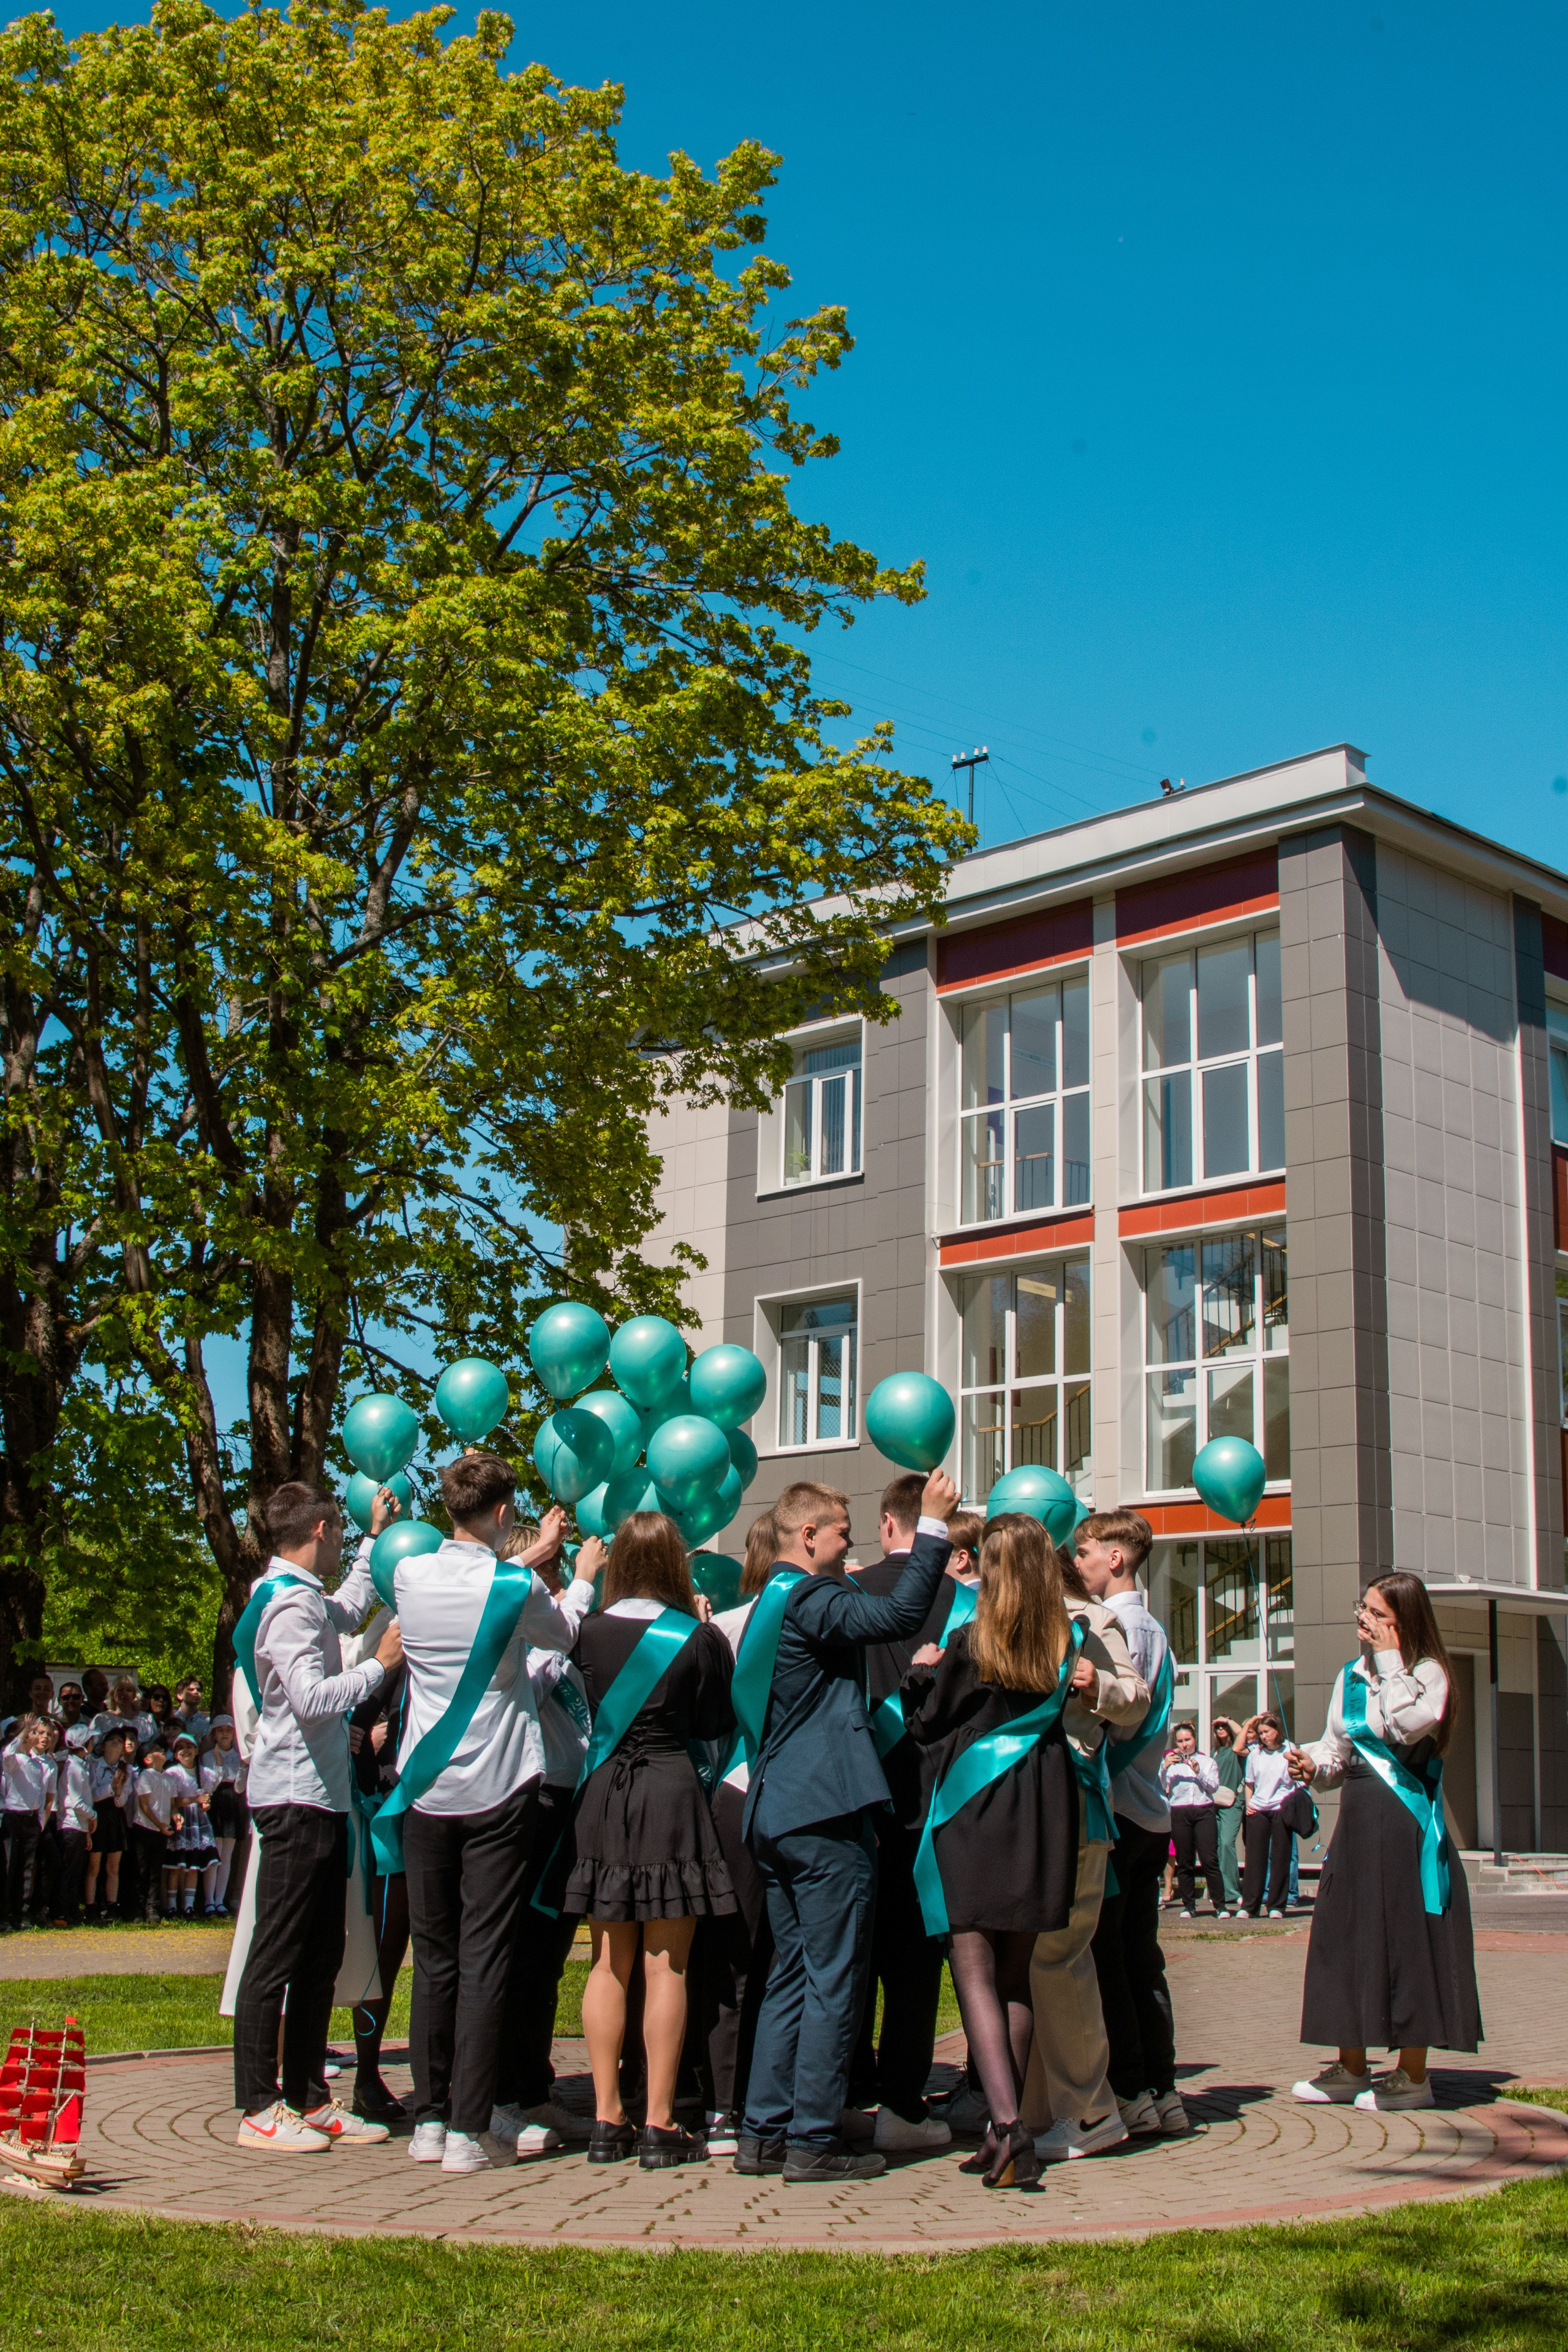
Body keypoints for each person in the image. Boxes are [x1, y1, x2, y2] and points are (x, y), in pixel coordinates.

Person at [739, 1468, 958, 2185]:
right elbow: (895, 1619)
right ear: (807, 1535)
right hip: (826, 1809)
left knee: (790, 1976)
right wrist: (930, 1527)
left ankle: (763, 2134)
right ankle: (813, 2140)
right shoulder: (811, 1596)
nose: (849, 1544)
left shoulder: (766, 1599)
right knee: (835, 1976)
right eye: (840, 1531)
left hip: (776, 1808)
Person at [394, 1458, 594, 2176]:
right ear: (506, 1513)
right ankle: (468, 2131)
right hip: (499, 1789)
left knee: (435, 1961)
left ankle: (428, 2116)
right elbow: (563, 1633)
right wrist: (585, 1580)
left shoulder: (410, 1576)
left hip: (424, 1789)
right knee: (484, 1959)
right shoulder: (514, 1586)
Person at [899, 1515, 1101, 2190]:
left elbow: (928, 1725)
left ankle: (1010, 2127)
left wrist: (919, 1674)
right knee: (1014, 1974)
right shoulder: (1068, 1643)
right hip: (1043, 1807)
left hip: (976, 1806)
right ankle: (998, 2129)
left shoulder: (967, 1642)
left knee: (973, 1968)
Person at [548, 1512, 736, 2170]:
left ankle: (606, 2120)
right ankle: (659, 2124)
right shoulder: (699, 1638)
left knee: (607, 1961)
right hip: (671, 1792)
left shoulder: (586, 1633)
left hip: (604, 1796)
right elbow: (716, 1723)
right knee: (668, 1965)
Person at [231, 1480, 403, 2155]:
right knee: (276, 1954)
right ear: (319, 1532)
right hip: (295, 1798)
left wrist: (373, 1538)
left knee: (318, 1952)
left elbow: (349, 1605)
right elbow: (308, 1698)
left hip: (323, 1798)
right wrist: (379, 1669)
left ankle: (306, 2095)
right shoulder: (287, 1604)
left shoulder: (302, 1596)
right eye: (341, 1535)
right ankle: (257, 2106)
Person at [1290, 1572, 1481, 2112]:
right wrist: (1313, 1765)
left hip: (1406, 1824)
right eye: (1363, 1609)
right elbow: (1337, 1752)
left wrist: (1392, 1661)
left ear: (1404, 1622)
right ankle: (1351, 2067)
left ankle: (1412, 2076)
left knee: (1406, 1936)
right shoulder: (1349, 1675)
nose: (1363, 1620)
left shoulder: (1429, 1675)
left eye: (1376, 1614)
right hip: (1357, 1818)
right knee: (1344, 1933)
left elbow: (1407, 1727)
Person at [846, 1472, 974, 2157]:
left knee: (853, 1952)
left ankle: (845, 2091)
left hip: (861, 1796)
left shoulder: (844, 1593)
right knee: (917, 1960)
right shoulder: (967, 1605)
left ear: (887, 1524)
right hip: (942, 1800)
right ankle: (903, 2097)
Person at [1014, 1535, 1149, 2157]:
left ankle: (1092, 2110)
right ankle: (1047, 2107)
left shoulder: (1093, 1621)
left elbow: (1135, 1702)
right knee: (1042, 1955)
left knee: (1060, 1953)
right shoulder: (1001, 1620)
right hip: (1022, 1808)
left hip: (1076, 1804)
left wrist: (1097, 1684)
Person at [1078, 1510, 1191, 2138]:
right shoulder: (1155, 1629)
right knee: (1139, 1957)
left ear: (1115, 1558)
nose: (1078, 1561)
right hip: (1148, 1809)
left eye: (1085, 1550)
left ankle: (1131, 2090)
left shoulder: (1123, 1628)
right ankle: (1161, 2086)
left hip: (1118, 1808)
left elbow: (1121, 1719)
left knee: (1110, 1957)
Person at [490, 1526, 597, 2156]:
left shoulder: (558, 1626)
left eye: (559, 1569)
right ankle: (500, 2092)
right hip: (529, 1801)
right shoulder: (513, 1634)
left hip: (567, 1801)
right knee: (515, 1957)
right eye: (546, 1567)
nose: (553, 1580)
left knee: (547, 1960)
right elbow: (523, 1692)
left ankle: (534, 2088)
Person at [692, 1508, 780, 2157]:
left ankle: (738, 2099)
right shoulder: (724, 1628)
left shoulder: (721, 1627)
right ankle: (730, 2102)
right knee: (745, 1951)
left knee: (746, 1953)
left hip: (743, 1791)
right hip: (751, 1790)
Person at [1161, 1724, 1227, 1918]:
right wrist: (1165, 1767)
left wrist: (1198, 1772)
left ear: (1195, 1740)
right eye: (1180, 1742)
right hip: (1180, 1812)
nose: (1184, 1745)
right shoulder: (1170, 1764)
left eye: (1188, 1740)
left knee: (1209, 1860)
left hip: (1203, 1811)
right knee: (1185, 1860)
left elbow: (1214, 1787)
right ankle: (1189, 1905)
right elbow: (1159, 1786)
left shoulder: (1207, 1762)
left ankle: (1220, 1906)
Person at [4, 1716, 55, 1930]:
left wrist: (40, 1822)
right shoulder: (14, 1761)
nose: (38, 1736)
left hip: (31, 1819)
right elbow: (7, 1753)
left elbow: (42, 1795)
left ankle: (20, 1913)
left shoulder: (37, 1764)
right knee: (9, 1869)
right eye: (35, 1733)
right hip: (13, 1818)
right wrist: (24, 1729)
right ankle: (4, 1915)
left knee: (26, 1870)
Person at [1242, 1713, 1294, 1918]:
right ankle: (1250, 1906)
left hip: (1281, 1808)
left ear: (1277, 1731)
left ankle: (1276, 1906)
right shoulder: (1255, 1754)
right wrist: (1248, 1805)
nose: (1263, 1737)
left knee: (1281, 1856)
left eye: (1267, 1732)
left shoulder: (1290, 1750)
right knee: (1255, 1858)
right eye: (1260, 1733)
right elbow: (1249, 1783)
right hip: (1258, 1808)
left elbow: (1299, 1782)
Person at [165, 1731, 217, 1919]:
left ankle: (189, 1906)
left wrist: (204, 1804)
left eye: (189, 1747)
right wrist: (195, 1799)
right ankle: (171, 1906)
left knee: (194, 1865)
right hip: (181, 1820)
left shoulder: (204, 1773)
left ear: (196, 1751)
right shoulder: (172, 1773)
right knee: (177, 1865)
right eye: (180, 1748)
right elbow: (173, 1802)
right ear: (175, 1755)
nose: (185, 1751)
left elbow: (206, 1797)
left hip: (198, 1822)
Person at [85, 1725, 130, 1923]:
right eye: (111, 1740)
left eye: (120, 1741)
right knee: (94, 1867)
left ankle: (112, 1906)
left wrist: (119, 1791)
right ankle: (91, 1907)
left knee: (114, 1867)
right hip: (98, 1816)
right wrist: (111, 1787)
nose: (116, 1743)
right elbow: (92, 1795)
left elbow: (122, 1801)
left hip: (116, 1817)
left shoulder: (126, 1769)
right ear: (102, 1747)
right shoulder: (93, 1765)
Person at [130, 1732, 177, 1923]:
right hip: (144, 1828)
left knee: (155, 1871)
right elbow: (144, 1806)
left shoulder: (169, 1779)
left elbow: (173, 1804)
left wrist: (176, 1817)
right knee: (141, 1869)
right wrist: (159, 1824)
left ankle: (152, 1908)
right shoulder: (145, 1776)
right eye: (156, 1751)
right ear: (147, 1759)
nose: (162, 1752)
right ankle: (137, 1908)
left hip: (161, 1830)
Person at [205, 1715, 247, 1914]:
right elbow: (210, 1786)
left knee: (227, 1856)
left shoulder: (240, 1756)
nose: (224, 1734)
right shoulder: (207, 1756)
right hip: (215, 1803)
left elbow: (239, 1788)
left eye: (228, 1730)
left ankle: (220, 1900)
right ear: (214, 1733)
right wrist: (219, 1765)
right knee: (215, 1855)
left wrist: (243, 1768)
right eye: (220, 1730)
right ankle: (208, 1901)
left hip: (233, 1804)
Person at [54, 1726, 96, 1926]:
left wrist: (86, 1830)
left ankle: (70, 1911)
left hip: (79, 1827)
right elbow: (76, 1802)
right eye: (90, 1740)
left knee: (75, 1871)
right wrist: (93, 1816)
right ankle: (61, 1913)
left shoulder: (80, 1767)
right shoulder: (74, 1768)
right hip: (71, 1825)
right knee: (69, 1871)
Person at [1212, 1717, 1246, 1912]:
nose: (1221, 1730)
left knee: (1227, 1843)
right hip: (1215, 1803)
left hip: (1233, 1803)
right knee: (1216, 1847)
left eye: (1223, 1727)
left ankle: (1233, 1891)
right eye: (1217, 1728)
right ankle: (1221, 1891)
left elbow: (1241, 1733)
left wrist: (1226, 1719)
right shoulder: (1214, 1752)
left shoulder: (1237, 1750)